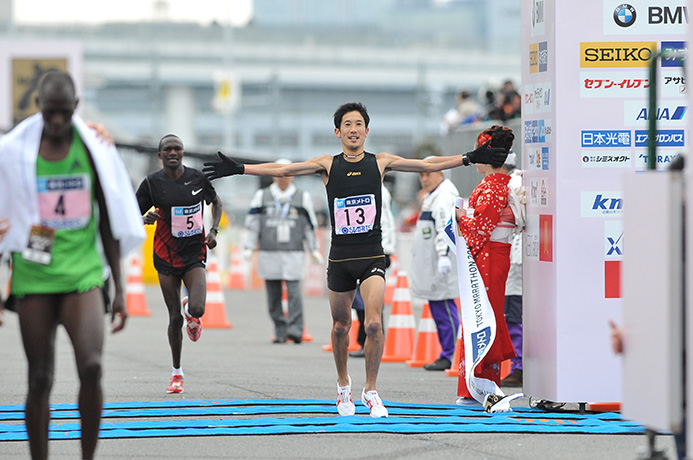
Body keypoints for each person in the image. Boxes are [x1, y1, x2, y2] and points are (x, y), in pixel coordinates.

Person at [203, 101, 507, 418]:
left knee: (374, 324)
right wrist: (239, 168)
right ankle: (343, 385)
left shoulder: (380, 162)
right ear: (338, 131)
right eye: (347, 124)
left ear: (366, 130)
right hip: (341, 259)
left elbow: (425, 166)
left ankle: (371, 391)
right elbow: (284, 170)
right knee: (340, 327)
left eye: (358, 124)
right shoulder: (327, 165)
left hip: (372, 255)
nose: (353, 129)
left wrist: (469, 158)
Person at [0, 69, 145, 460]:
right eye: (51, 113)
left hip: (83, 273)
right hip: (34, 273)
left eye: (65, 112)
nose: (59, 121)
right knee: (39, 378)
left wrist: (120, 290)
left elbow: (111, 222)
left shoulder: (94, 149)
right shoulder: (14, 152)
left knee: (93, 366)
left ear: (77, 107)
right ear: (38, 107)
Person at [135, 134, 222, 394]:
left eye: (178, 149)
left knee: (197, 308)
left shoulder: (197, 178)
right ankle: (177, 373)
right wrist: (145, 217)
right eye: (167, 149)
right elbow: (130, 212)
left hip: (194, 252)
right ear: (160, 155)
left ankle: (191, 311)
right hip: (165, 255)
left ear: (183, 153)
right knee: (174, 319)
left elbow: (215, 202)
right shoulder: (152, 183)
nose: (173, 152)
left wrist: (214, 230)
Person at [454, 125, 517, 405]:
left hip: (489, 254)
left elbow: (480, 228)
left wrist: (458, 217)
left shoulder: (492, 186)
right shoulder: (499, 183)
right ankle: (483, 382)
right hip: (494, 254)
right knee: (485, 316)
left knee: (479, 317)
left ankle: (476, 387)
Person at [243, 158, 322, 344]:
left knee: (294, 292)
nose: (284, 177)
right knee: (273, 294)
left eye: (288, 173)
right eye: (280, 172)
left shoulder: (303, 198)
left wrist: (314, 249)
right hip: (269, 251)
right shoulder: (261, 196)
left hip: (294, 251)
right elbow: (252, 225)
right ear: (273, 175)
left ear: (294, 175)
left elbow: (310, 226)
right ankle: (280, 328)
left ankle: (295, 329)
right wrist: (249, 247)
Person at [410, 162, 461, 371]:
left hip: (439, 264)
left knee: (445, 309)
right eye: (421, 174)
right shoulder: (434, 195)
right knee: (439, 309)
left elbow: (444, 229)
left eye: (428, 174)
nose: (424, 178)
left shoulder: (443, 197)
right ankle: (447, 352)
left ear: (441, 173)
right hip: (432, 265)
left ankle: (451, 354)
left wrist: (443, 256)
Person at [349, 182, 396, 358]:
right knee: (360, 301)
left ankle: (373, 342)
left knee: (372, 300)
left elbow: (387, 221)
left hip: (376, 251)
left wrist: (388, 250)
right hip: (358, 250)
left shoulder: (378, 189)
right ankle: (364, 342)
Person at [499, 152, 525, 387]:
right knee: (512, 315)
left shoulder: (512, 183)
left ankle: (519, 366)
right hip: (512, 257)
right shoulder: (513, 181)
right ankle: (518, 365)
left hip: (516, 259)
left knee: (514, 315)